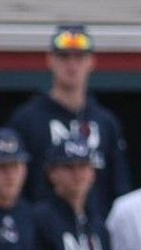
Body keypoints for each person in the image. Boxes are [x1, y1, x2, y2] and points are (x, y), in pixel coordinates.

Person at [7, 24, 129, 216]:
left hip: (94, 234)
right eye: (64, 57)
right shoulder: (27, 120)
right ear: (50, 60)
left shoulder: (106, 123)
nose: (72, 65)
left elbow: (119, 187)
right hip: (43, 234)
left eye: (79, 57)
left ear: (91, 62)